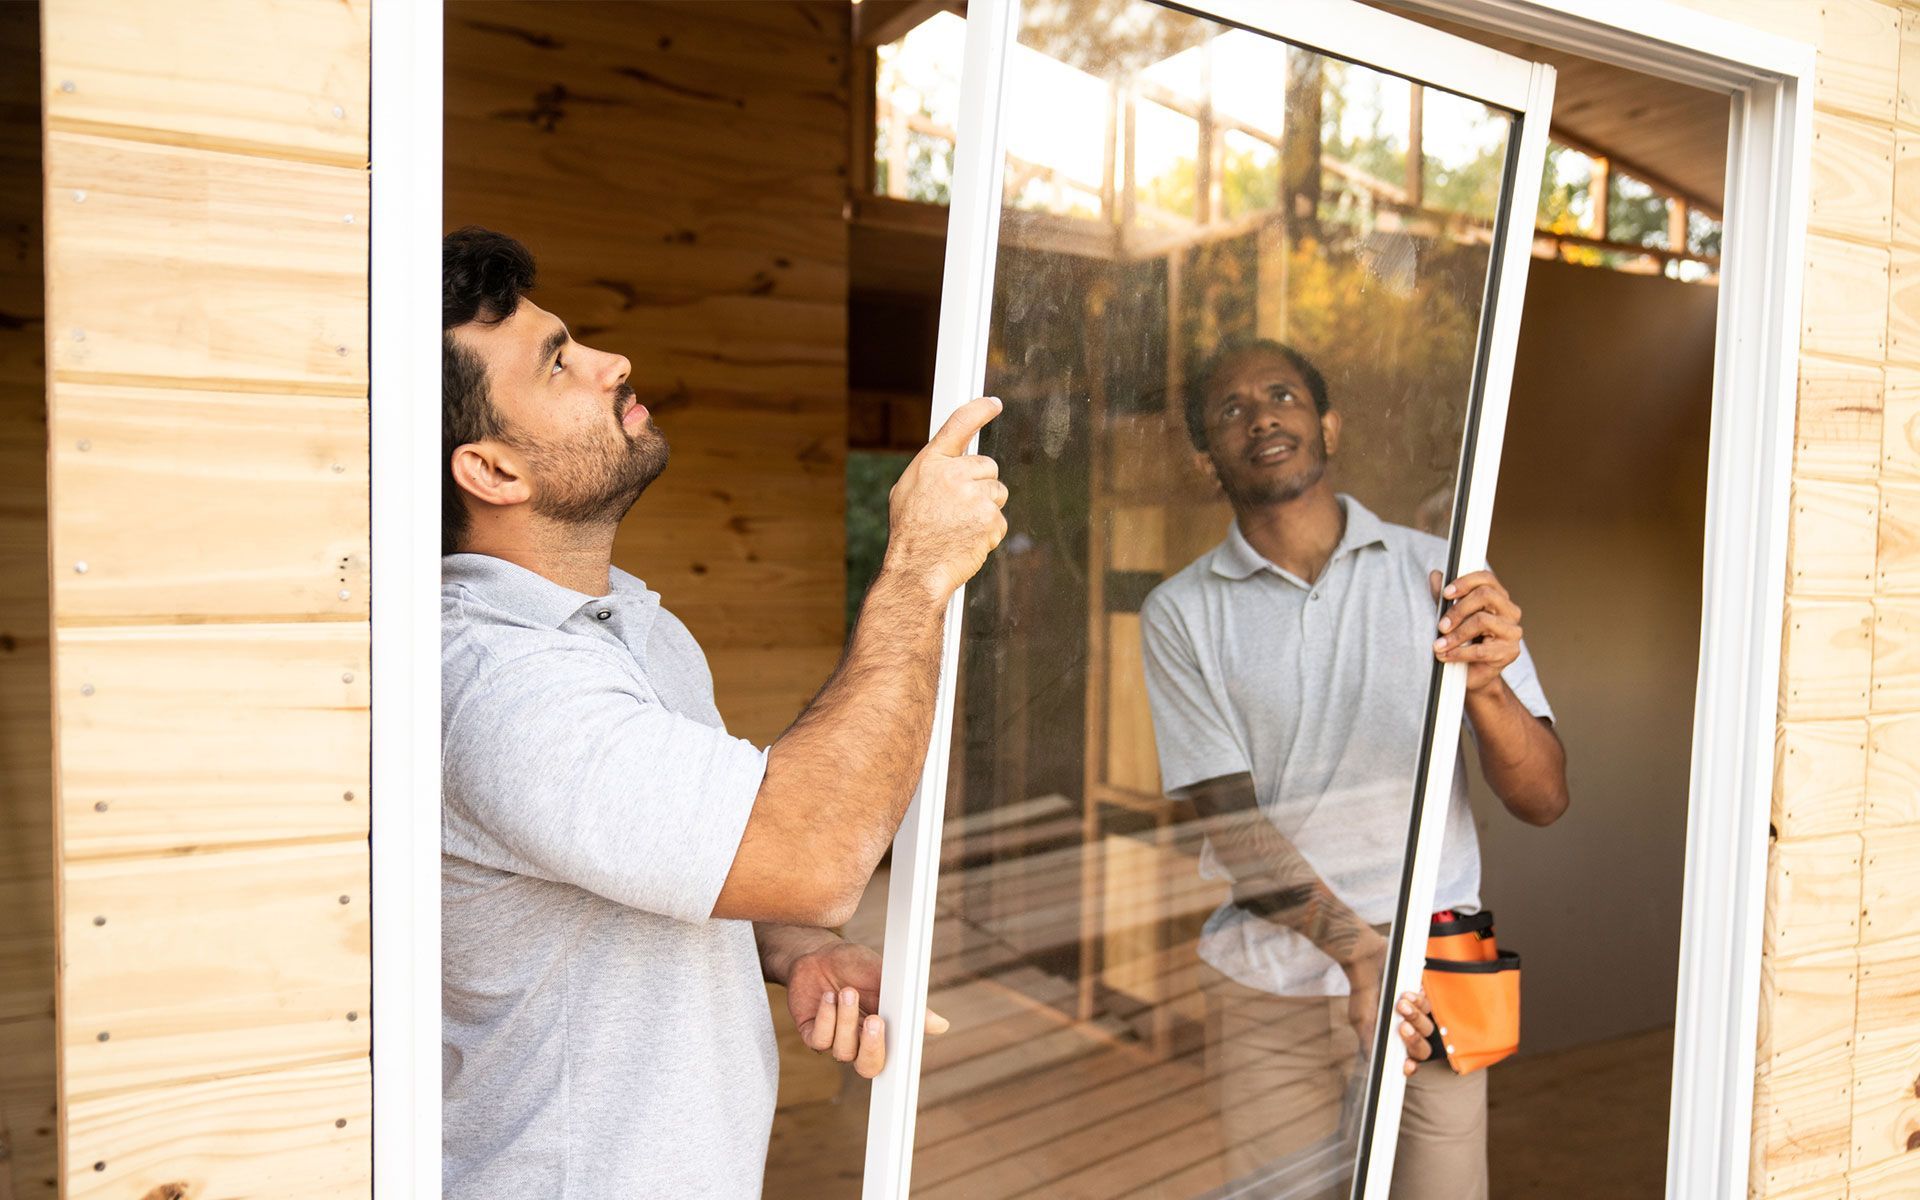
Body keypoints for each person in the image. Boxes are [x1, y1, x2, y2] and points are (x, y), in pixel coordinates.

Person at [437, 227, 1007, 1196]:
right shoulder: (501, 682)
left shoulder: (633, 623)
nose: (613, 362)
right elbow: (811, 852)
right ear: (494, 472)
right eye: (560, 363)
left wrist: (797, 948)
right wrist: (918, 572)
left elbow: (697, 855)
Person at [1140, 338, 1571, 1198]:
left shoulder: (1442, 574)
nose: (1261, 415)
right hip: (1268, 994)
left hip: (1434, 979)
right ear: (1204, 458)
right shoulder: (1180, 613)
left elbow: (1545, 798)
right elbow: (1235, 831)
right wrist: (1360, 956)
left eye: (1283, 395)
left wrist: (1485, 690)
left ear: (1327, 425)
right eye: (1231, 409)